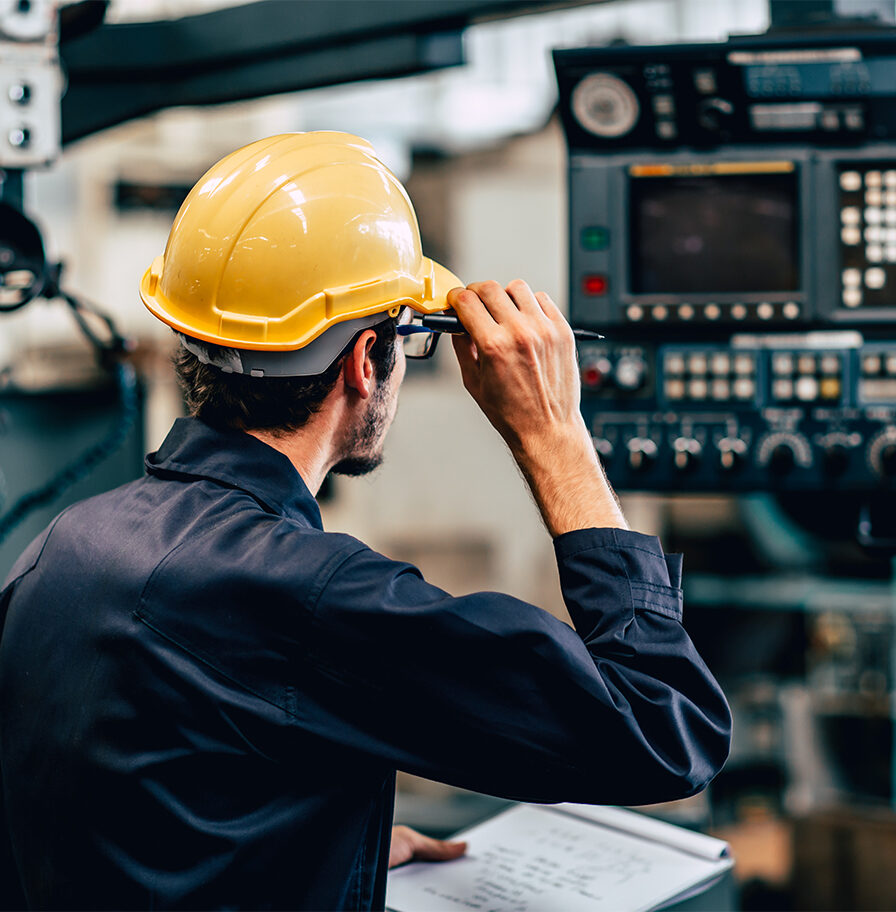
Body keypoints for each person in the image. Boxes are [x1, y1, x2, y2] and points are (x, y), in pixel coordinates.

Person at [0, 132, 730, 910]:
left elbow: (120, 802)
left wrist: (321, 841)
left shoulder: (65, 545)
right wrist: (555, 437)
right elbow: (665, 724)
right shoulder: (310, 597)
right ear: (364, 360)